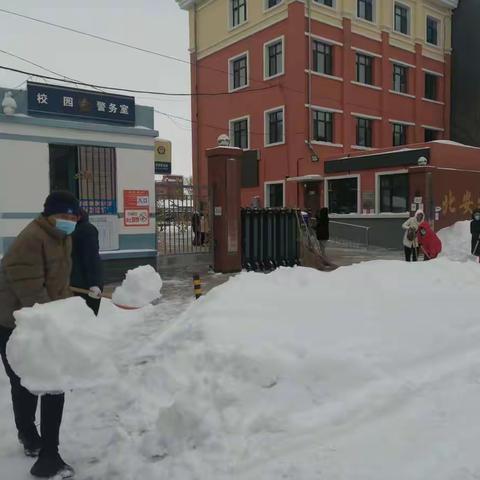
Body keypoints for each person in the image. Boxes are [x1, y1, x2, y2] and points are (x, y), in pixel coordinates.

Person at [0, 191, 79, 479]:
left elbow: (56, 284)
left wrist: (71, 305)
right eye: (64, 215)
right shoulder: (32, 239)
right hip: (16, 321)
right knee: (41, 383)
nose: (70, 221)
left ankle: (35, 441)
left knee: (35, 383)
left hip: (39, 318)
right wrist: (57, 319)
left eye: (74, 216)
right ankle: (46, 454)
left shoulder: (61, 236)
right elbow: (31, 292)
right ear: (49, 214)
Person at [71, 208, 104, 315]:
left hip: (85, 285)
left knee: (86, 318)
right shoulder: (75, 229)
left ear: (78, 217)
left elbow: (92, 257)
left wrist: (94, 283)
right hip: (77, 283)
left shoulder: (86, 230)